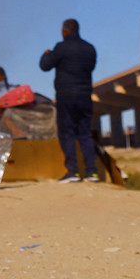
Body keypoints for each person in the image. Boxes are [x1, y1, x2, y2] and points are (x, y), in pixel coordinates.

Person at [40, 18, 98, 182]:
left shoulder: (61, 47)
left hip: (66, 97)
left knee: (68, 133)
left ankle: (73, 171)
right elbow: (91, 67)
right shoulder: (90, 49)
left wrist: (46, 55)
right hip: (85, 96)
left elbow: (45, 66)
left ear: (65, 31)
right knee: (85, 133)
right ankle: (92, 172)